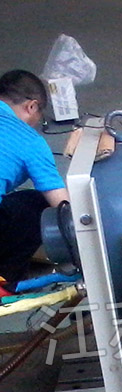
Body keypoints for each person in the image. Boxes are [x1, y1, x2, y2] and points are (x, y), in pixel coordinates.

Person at [0, 69, 69, 287]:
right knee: (37, 205)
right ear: (32, 106)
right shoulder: (30, 141)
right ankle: (6, 282)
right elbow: (63, 207)